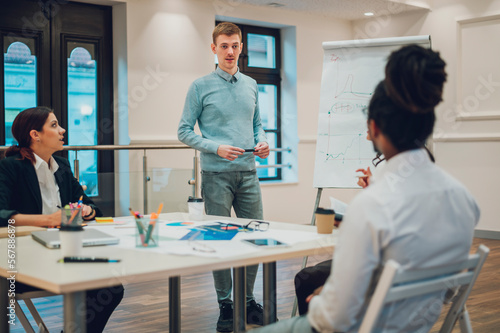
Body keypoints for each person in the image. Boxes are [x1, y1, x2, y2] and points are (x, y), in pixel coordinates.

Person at [252, 45, 479, 332]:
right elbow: (447, 293)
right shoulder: (463, 199)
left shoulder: (372, 206)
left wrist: (323, 301)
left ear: (373, 128)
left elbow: (333, 319)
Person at [177, 22, 269, 331]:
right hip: (216, 175)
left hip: (249, 173)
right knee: (220, 239)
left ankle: (248, 301)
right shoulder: (200, 86)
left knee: (255, 236)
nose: (230, 51)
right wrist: (216, 148)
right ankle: (226, 305)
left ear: (241, 47)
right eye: (224, 46)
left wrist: (263, 141)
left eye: (235, 45)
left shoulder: (252, 84)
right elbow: (184, 132)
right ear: (214, 49)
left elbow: (258, 124)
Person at [0, 107, 123, 332]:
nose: (62, 130)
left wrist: (87, 210)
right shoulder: (10, 167)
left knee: (111, 287)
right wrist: (47, 220)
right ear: (35, 135)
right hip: (23, 260)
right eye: (54, 125)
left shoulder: (62, 167)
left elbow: (93, 207)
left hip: (62, 251)